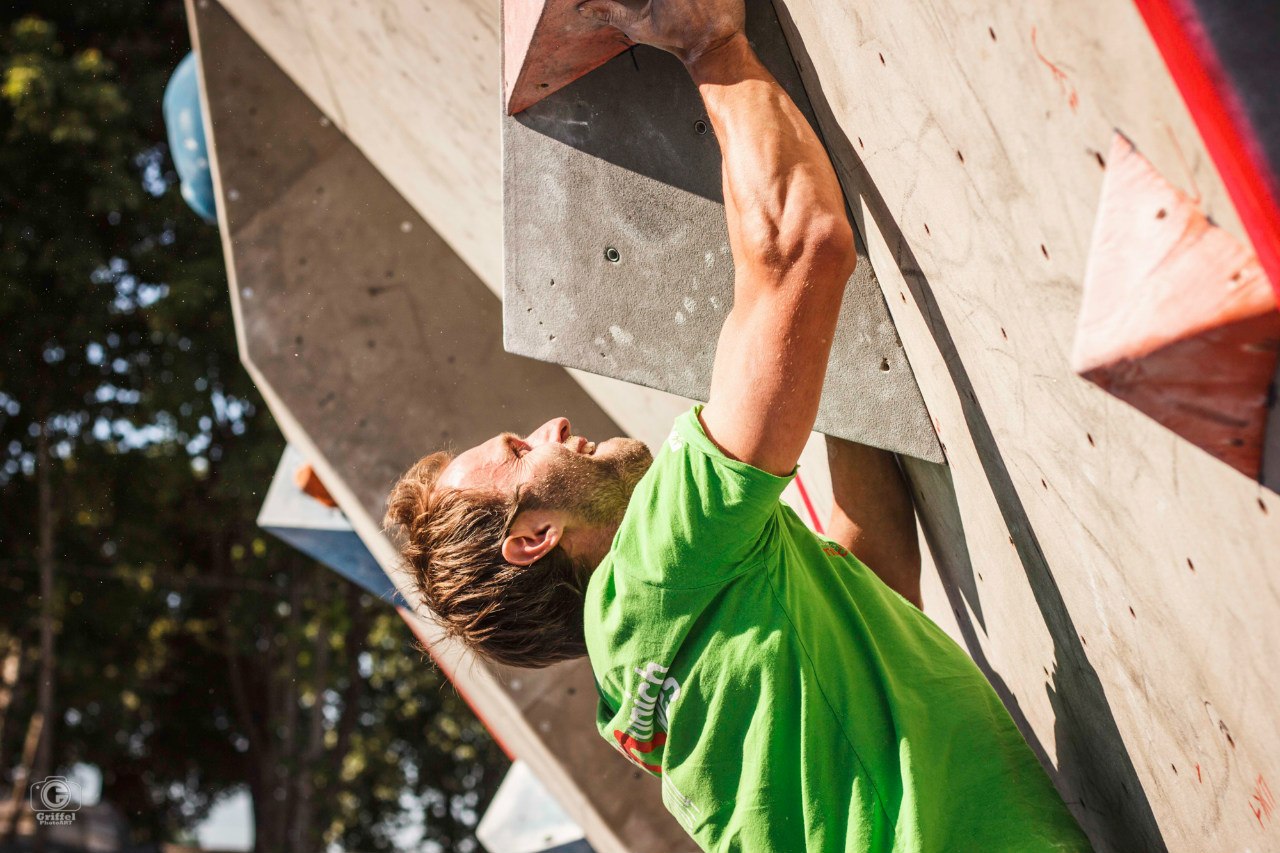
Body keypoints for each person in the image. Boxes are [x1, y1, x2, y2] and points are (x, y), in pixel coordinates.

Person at [385, 0, 1092, 849]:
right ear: (533, 536)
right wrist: (709, 42)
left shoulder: (640, 711)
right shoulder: (650, 567)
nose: (549, 423)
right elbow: (804, 248)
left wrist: (835, 373)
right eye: (516, 450)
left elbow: (872, 598)